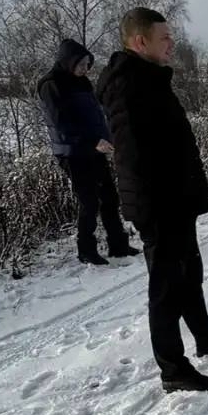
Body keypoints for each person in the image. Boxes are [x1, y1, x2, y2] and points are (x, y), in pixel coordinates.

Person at [95, 8, 208, 392]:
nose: (172, 44)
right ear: (139, 41)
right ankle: (173, 368)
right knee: (165, 287)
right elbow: (131, 155)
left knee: (189, 271)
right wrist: (154, 205)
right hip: (160, 204)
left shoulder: (148, 78)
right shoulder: (128, 84)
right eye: (165, 37)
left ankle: (206, 335)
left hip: (175, 198)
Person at [37, 38, 139, 266]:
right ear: (68, 61)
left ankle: (118, 245)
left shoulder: (81, 82)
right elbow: (62, 122)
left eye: (87, 64)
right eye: (81, 64)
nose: (85, 69)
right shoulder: (51, 84)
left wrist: (108, 139)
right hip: (72, 152)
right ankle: (86, 251)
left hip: (94, 148)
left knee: (110, 198)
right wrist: (93, 141)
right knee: (89, 201)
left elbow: (94, 116)